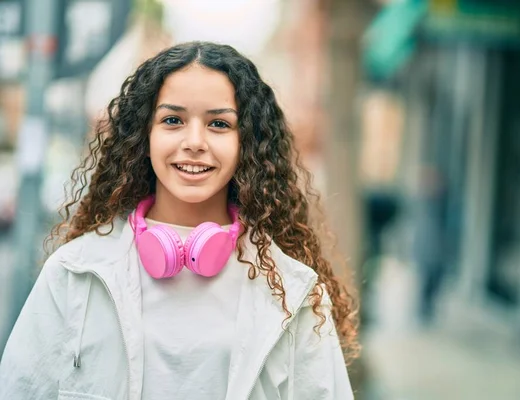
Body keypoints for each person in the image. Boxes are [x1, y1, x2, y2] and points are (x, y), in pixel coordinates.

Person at [0, 42, 359, 400]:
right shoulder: (74, 273)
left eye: (219, 124)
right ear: (144, 135)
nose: (194, 142)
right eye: (173, 120)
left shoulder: (294, 293)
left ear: (246, 143)